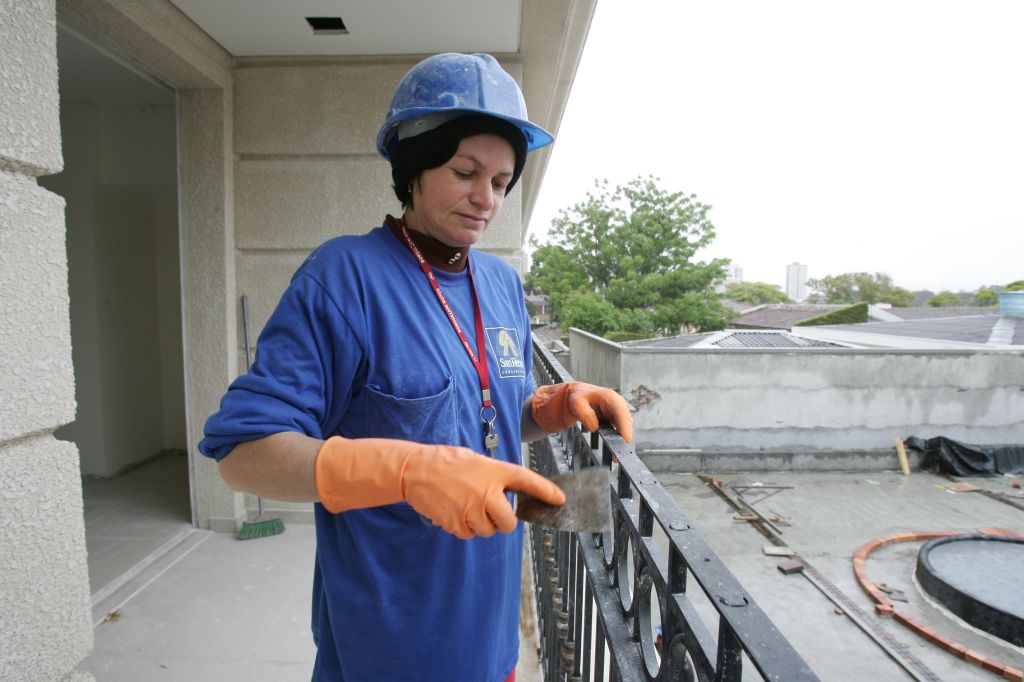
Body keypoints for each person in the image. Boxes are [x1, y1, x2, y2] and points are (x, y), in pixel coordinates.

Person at [199, 52, 633, 682]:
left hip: (489, 636)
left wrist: (553, 406)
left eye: (502, 182)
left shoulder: (501, 282)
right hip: (388, 640)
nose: (486, 199)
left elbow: (484, 416)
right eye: (465, 172)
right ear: (413, 165)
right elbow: (243, 453)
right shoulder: (344, 278)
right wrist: (408, 471)